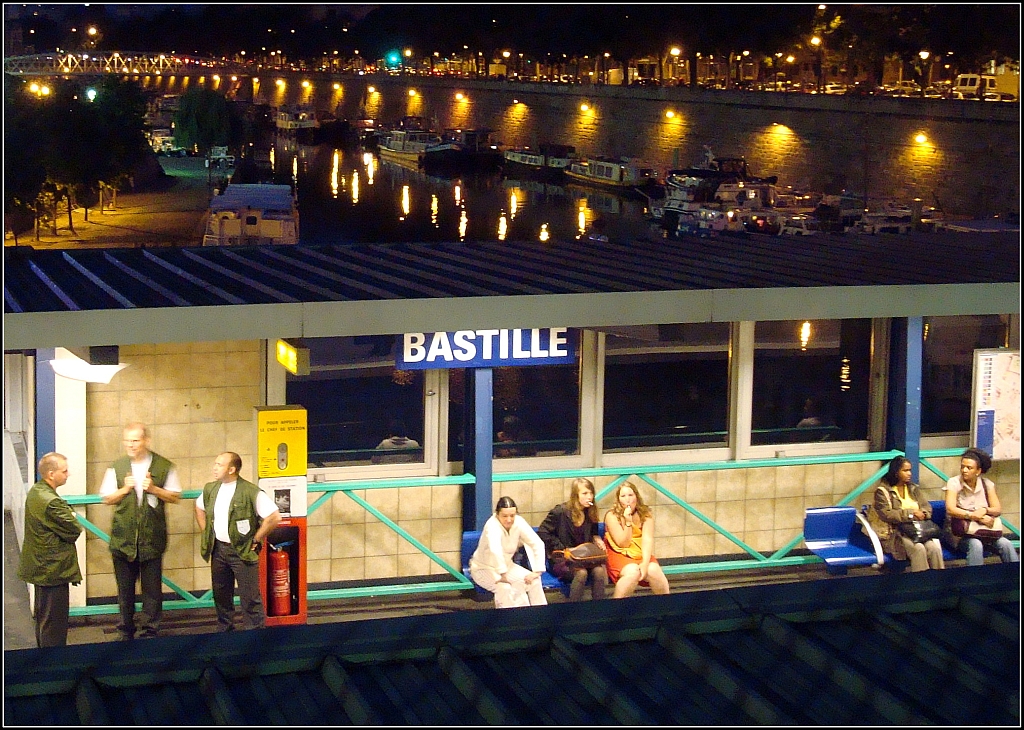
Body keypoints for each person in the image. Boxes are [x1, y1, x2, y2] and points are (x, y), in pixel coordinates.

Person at [99, 422, 182, 640]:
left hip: (152, 541)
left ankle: (150, 631)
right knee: (124, 591)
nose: (131, 445)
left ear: (146, 440)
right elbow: (107, 498)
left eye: (135, 440)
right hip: (123, 541)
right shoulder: (116, 467)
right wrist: (125, 489)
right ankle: (125, 629)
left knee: (152, 592)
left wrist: (154, 489)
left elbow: (175, 496)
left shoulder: (164, 466)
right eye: (127, 440)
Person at [196, 452, 282, 632]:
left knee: (250, 597)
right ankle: (225, 630)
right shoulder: (211, 489)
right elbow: (199, 507)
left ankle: (255, 634)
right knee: (221, 594)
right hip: (218, 550)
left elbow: (274, 517)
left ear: (232, 469)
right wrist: (206, 532)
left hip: (242, 550)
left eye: (219, 464)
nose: (215, 467)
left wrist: (256, 538)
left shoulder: (250, 491)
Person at [17, 452, 82, 648]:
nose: (68, 474)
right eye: (64, 471)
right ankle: (54, 666)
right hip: (53, 570)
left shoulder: (37, 491)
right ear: (51, 474)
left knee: (43, 620)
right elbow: (74, 529)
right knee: (54, 625)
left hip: (42, 568)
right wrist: (72, 516)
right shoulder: (51, 502)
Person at [943, 448, 1019, 567]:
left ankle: (1015, 578)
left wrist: (985, 510)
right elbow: (950, 509)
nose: (964, 470)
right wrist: (974, 516)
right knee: (975, 544)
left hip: (985, 531)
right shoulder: (954, 483)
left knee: (1005, 544)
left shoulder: (987, 484)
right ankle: (975, 580)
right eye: (962, 467)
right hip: (960, 534)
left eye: (969, 468)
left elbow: (997, 509)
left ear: (978, 471)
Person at [469, 496, 548, 609]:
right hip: (483, 568)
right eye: (505, 516)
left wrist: (538, 571)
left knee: (533, 581)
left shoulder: (519, 522)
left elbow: (537, 543)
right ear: (497, 514)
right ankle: (508, 621)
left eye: (512, 515)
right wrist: (503, 574)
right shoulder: (491, 526)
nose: (509, 519)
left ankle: (541, 617)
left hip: (508, 566)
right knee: (504, 588)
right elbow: (495, 550)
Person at [537, 477, 608, 602]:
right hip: (564, 559)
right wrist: (562, 548)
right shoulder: (560, 512)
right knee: (581, 573)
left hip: (584, 558)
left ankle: (599, 609)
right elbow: (543, 532)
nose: (589, 497)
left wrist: (597, 538)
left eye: (591, 493)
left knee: (598, 571)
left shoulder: (590, 513)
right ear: (576, 495)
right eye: (585, 493)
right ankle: (573, 610)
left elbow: (593, 533)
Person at [873, 455, 944, 572]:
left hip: (919, 530)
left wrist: (924, 514)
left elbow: (926, 507)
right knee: (919, 549)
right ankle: (920, 585)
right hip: (897, 533)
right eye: (905, 470)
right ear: (896, 472)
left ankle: (939, 583)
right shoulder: (883, 491)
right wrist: (911, 514)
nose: (909, 473)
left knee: (934, 549)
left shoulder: (913, 489)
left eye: (910, 470)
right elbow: (887, 514)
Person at [603, 481, 670, 598]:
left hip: (640, 551)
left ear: (636, 497)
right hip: (620, 552)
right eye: (623, 496)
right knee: (633, 572)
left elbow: (647, 539)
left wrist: (645, 563)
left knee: (654, 570)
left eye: (630, 495)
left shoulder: (645, 514)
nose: (627, 499)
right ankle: (615, 610)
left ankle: (667, 608)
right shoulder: (611, 516)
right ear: (618, 500)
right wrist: (628, 523)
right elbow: (623, 543)